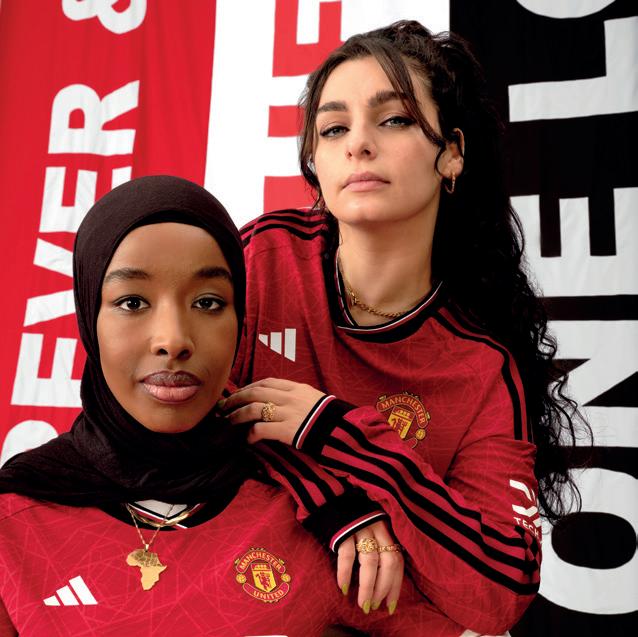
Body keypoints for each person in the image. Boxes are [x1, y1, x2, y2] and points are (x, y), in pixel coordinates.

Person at [222, 20, 586, 636]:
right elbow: (178, 416)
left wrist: (339, 435)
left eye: (392, 120)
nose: (358, 145)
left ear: (452, 154)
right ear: (315, 161)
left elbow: (502, 587)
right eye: (334, 129)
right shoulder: (264, 258)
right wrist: (341, 506)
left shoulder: (481, 365)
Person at [0, 175, 464, 636]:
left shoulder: (325, 513)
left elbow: (478, 614)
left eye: (207, 302)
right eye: (133, 302)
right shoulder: (13, 522)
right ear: (88, 316)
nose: (173, 340)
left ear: (240, 318)